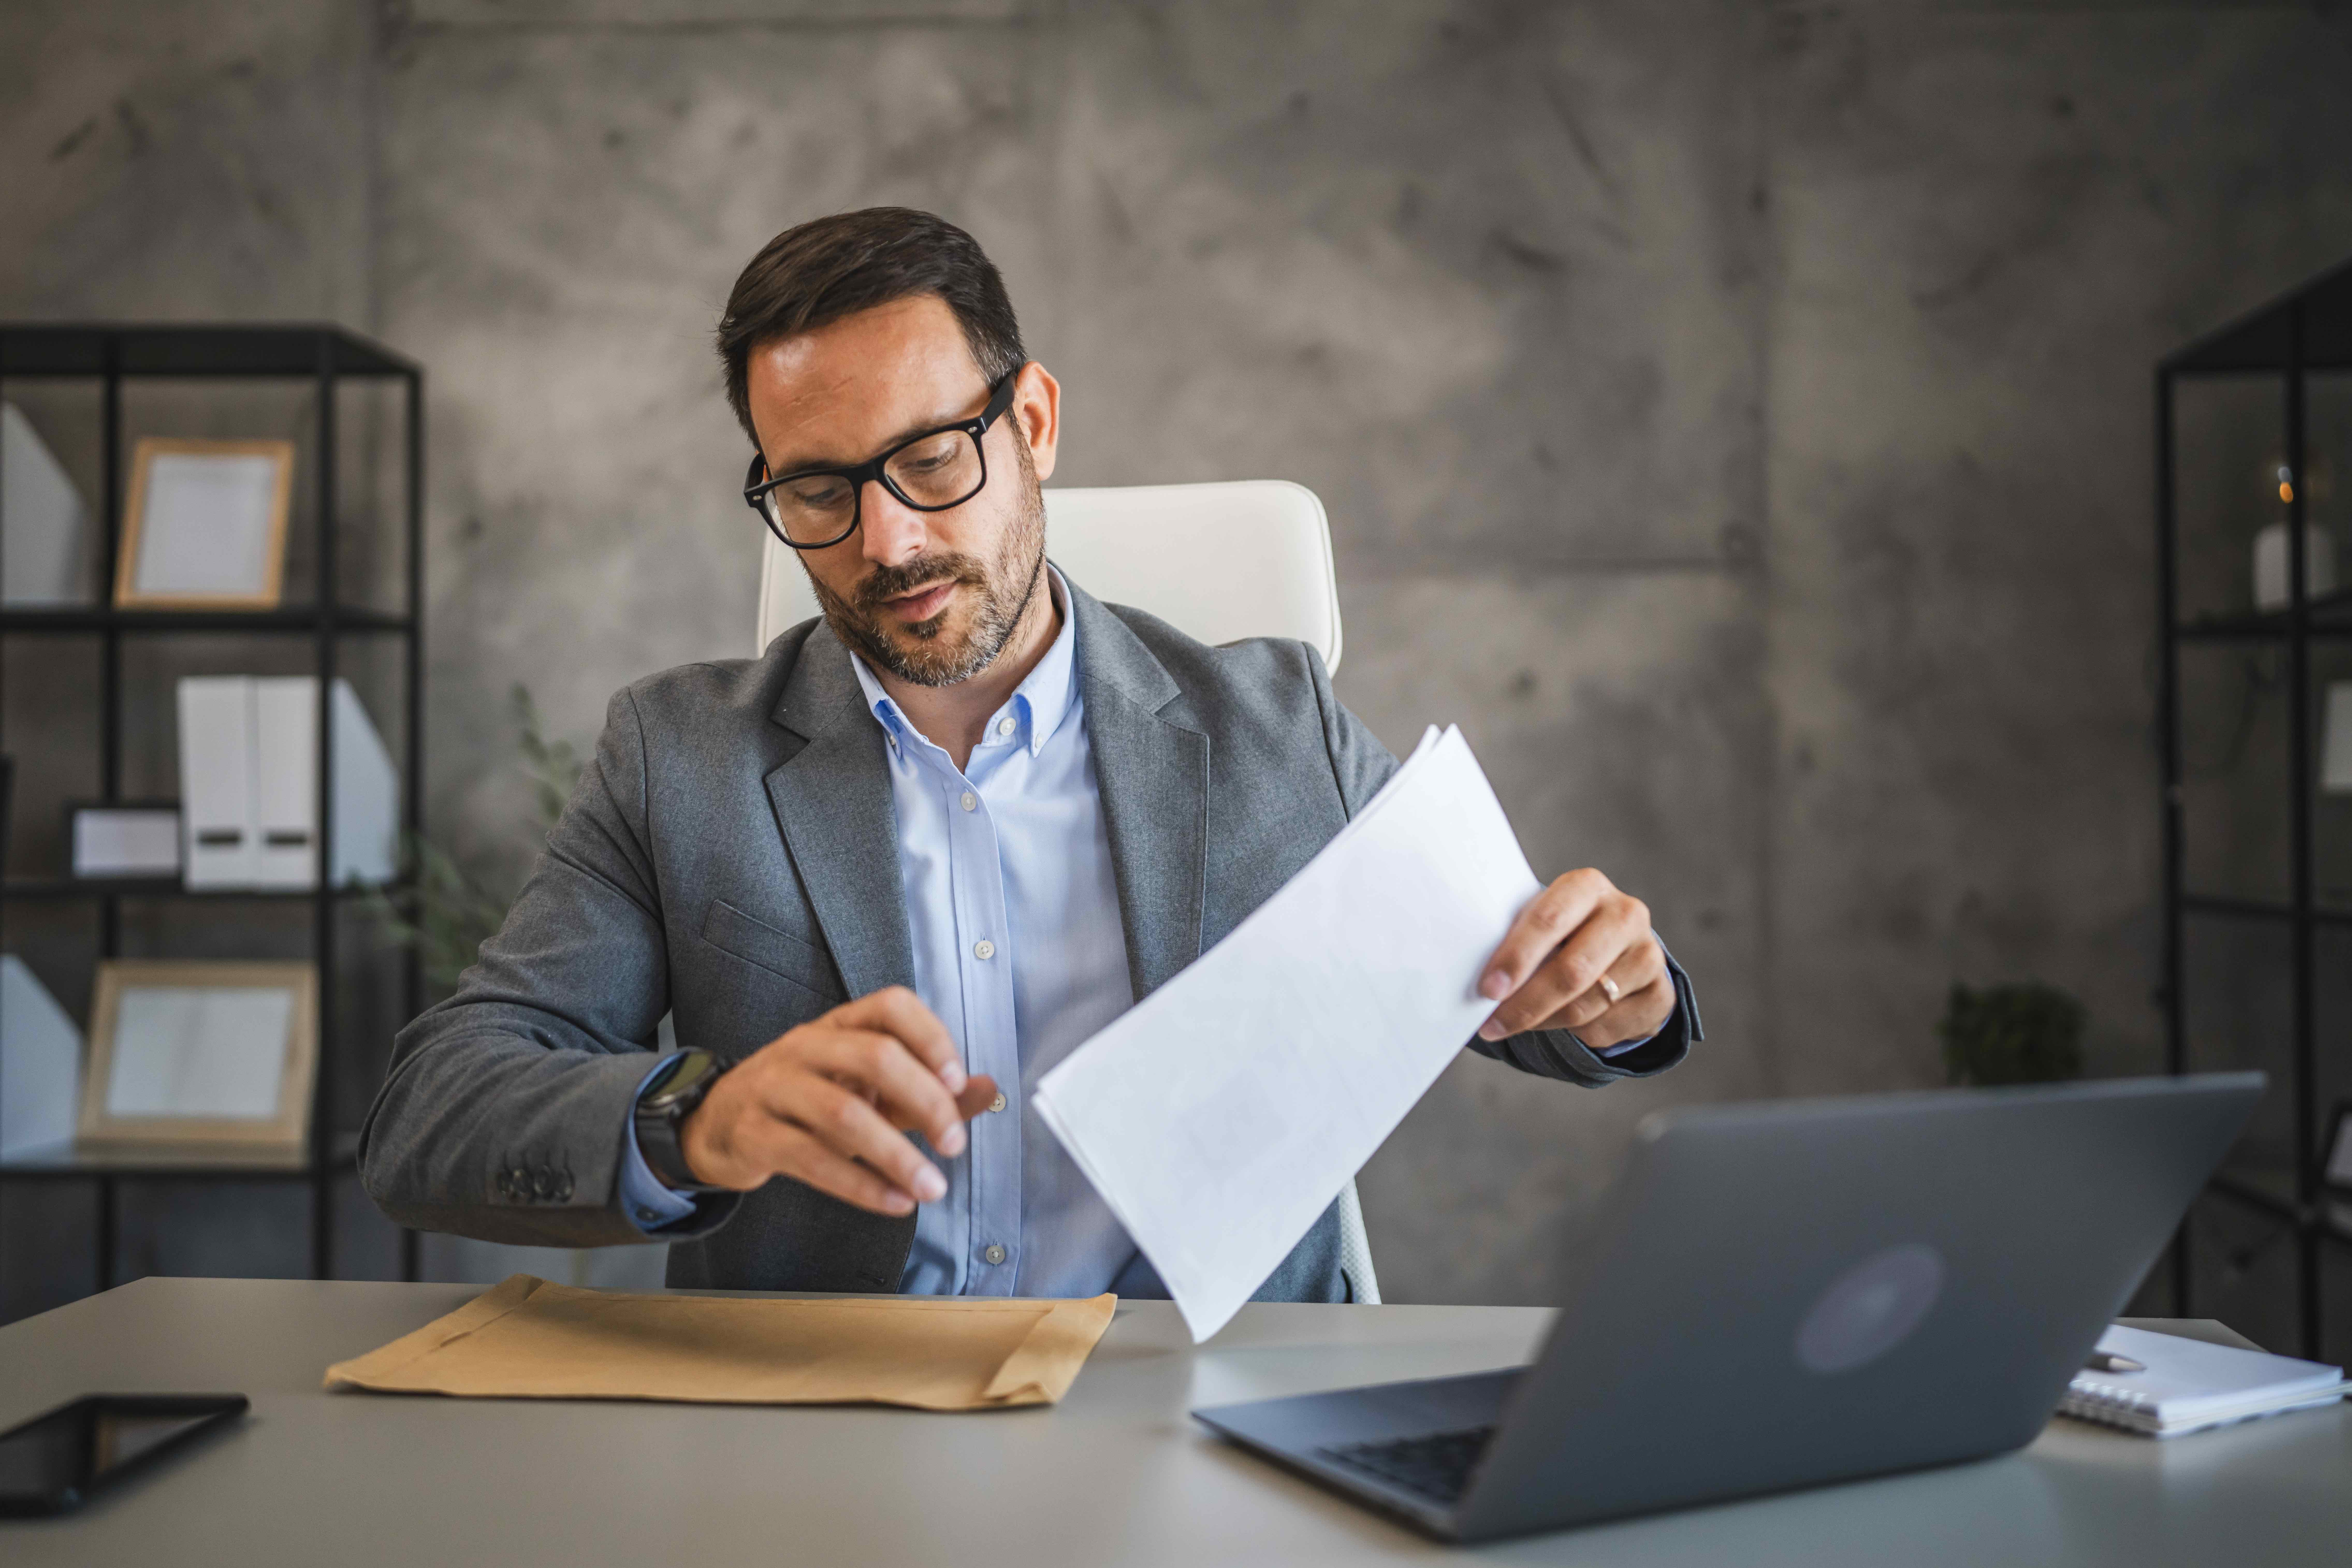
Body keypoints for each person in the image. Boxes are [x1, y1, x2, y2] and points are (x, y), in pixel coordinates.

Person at [360, 207, 1700, 1300]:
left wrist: (1617, 999)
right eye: (819, 489)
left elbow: (1533, 1012)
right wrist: (693, 1123)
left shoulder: (1272, 725)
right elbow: (433, 1116)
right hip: (831, 1444)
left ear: (1035, 422)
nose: (885, 542)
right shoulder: (679, 754)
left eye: (932, 457)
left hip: (1205, 1422)